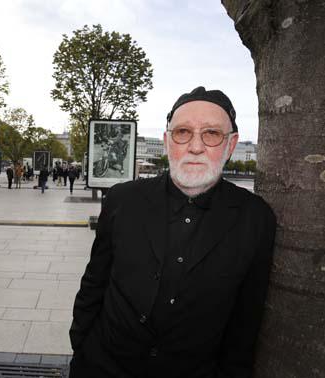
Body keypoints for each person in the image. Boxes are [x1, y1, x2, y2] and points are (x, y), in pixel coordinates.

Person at [69, 86, 277, 378]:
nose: (195, 147)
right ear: (167, 142)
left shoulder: (256, 218)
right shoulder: (122, 200)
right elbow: (94, 282)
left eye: (212, 134)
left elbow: (246, 320)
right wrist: (82, 347)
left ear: (230, 145)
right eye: (183, 132)